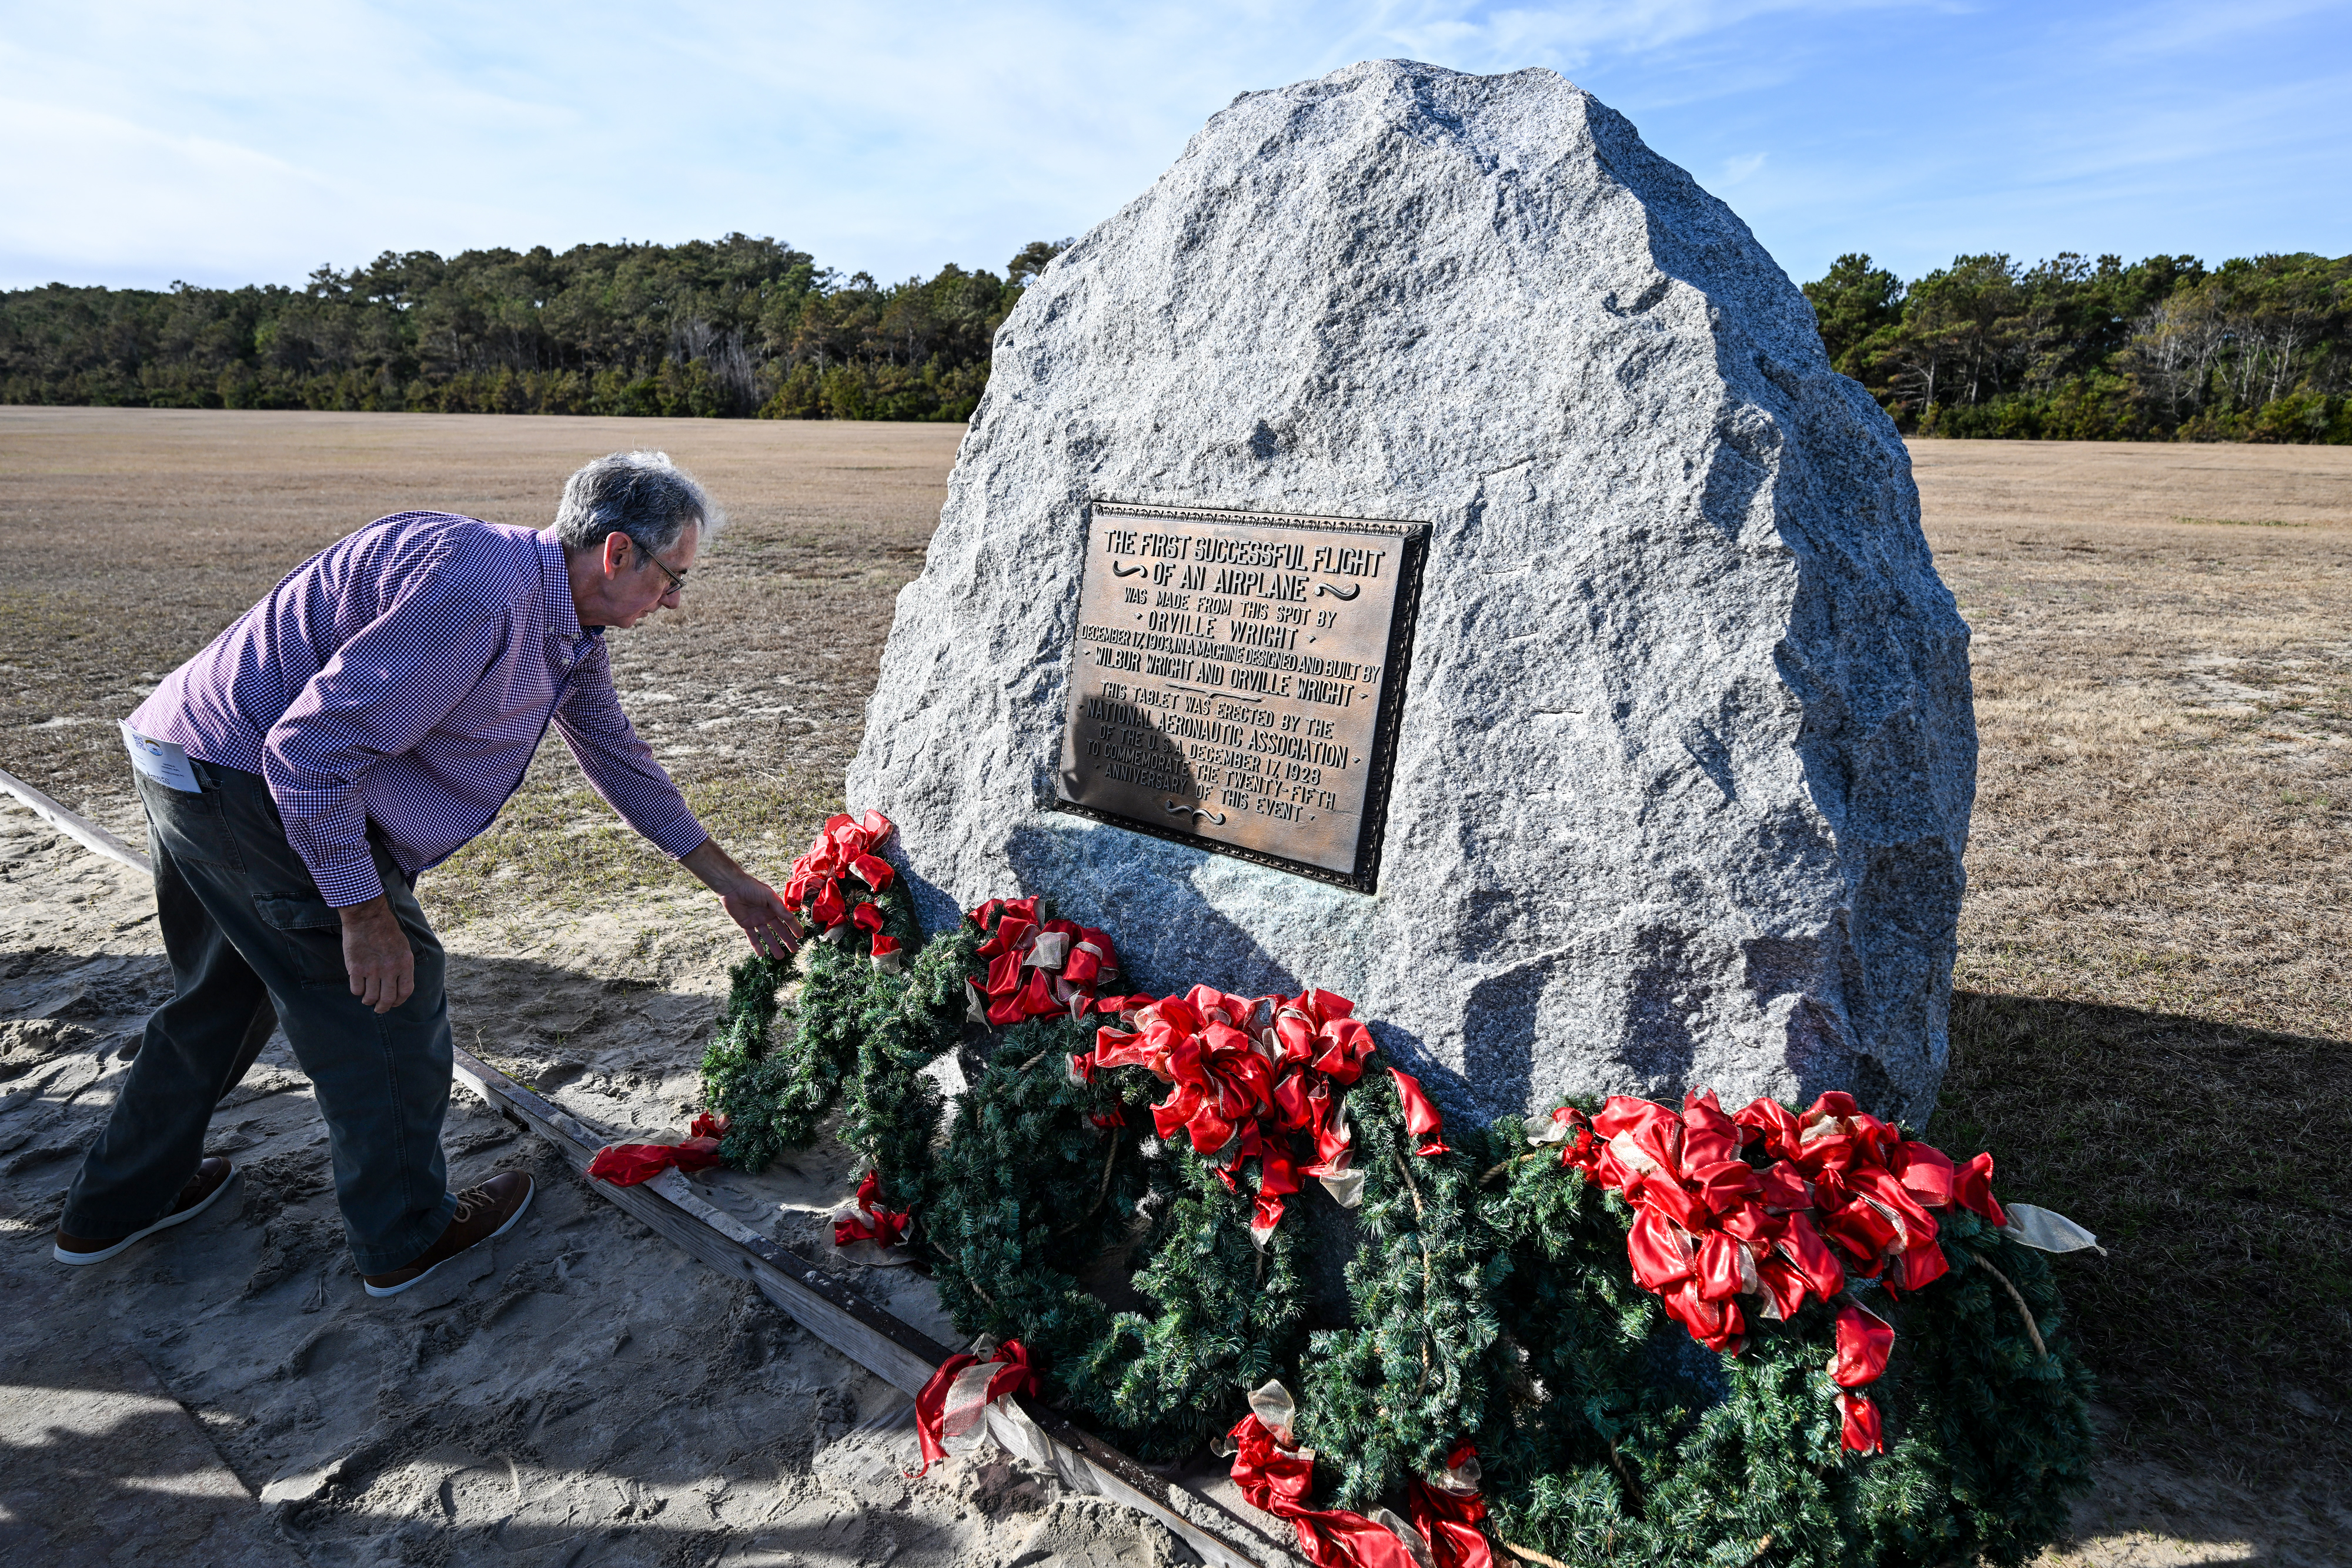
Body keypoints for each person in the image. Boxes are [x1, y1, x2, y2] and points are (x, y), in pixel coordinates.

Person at [53, 451, 800, 1297]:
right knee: (387, 994)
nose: (675, 605)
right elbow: (307, 752)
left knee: (224, 995)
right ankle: (407, 1235)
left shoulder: (560, 616)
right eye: (675, 579)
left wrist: (726, 878)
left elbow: (617, 755)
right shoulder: (483, 596)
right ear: (618, 552)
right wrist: (363, 914)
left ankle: (115, 1205)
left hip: (196, 755)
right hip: (244, 779)